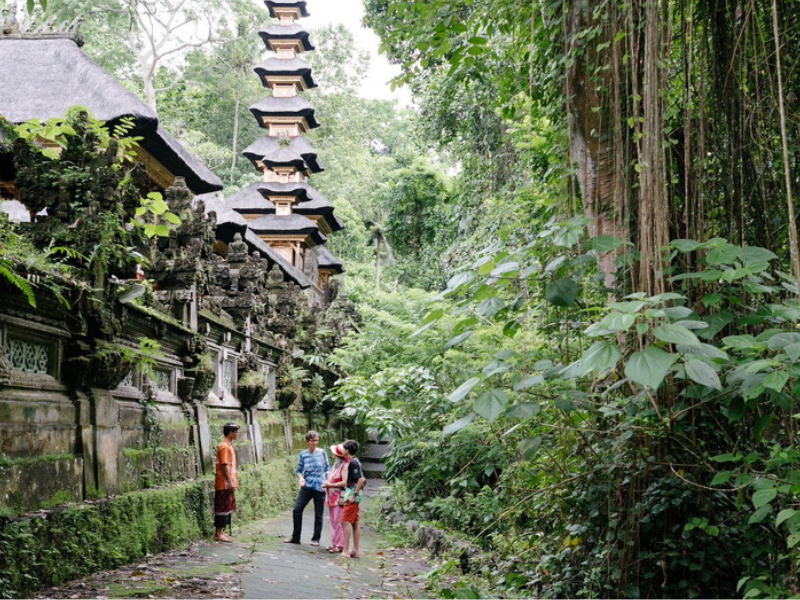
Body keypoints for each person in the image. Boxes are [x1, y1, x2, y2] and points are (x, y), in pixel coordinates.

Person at [284, 430, 330, 546]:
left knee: (318, 513)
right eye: (312, 441)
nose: (314, 443)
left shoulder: (322, 452)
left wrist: (328, 483)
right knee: (297, 509)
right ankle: (296, 537)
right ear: (308, 441)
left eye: (316, 440)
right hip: (307, 485)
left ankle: (315, 539)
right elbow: (299, 470)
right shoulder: (303, 454)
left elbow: (327, 469)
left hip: (320, 486)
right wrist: (301, 478)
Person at [340, 439, 367, 559]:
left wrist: (354, 495)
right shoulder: (355, 462)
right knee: (355, 523)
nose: (341, 449)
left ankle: (345, 550)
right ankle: (355, 550)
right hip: (353, 493)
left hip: (352, 493)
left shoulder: (353, 463)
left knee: (345, 522)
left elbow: (361, 480)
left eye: (343, 447)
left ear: (347, 450)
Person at [214, 422, 240, 542]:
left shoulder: (229, 445)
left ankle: (221, 532)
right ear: (230, 433)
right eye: (236, 432)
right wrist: (229, 481)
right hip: (224, 482)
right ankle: (218, 533)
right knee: (222, 508)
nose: (237, 434)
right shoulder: (224, 446)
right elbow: (223, 465)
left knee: (227, 507)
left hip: (228, 482)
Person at [321, 443, 348, 553]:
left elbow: (344, 483)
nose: (333, 456)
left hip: (339, 498)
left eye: (334, 454)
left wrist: (330, 485)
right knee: (332, 521)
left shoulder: (344, 466)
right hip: (331, 497)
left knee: (338, 521)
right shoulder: (335, 466)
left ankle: (340, 545)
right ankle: (335, 543)